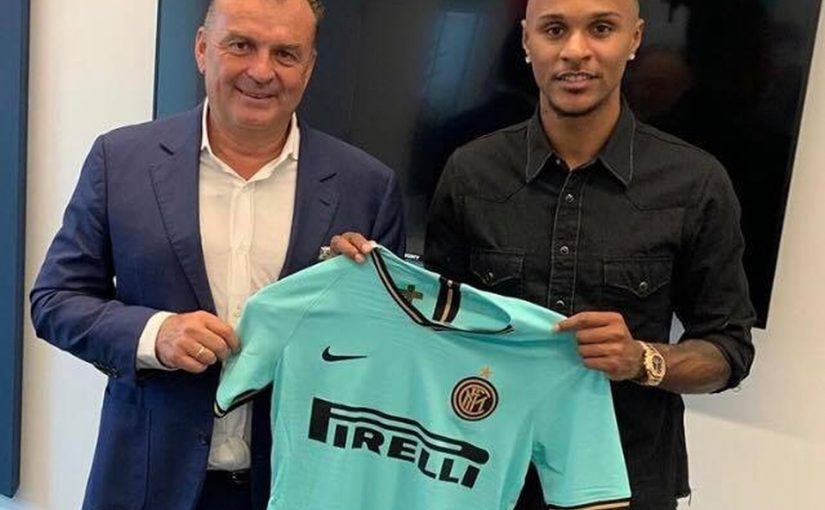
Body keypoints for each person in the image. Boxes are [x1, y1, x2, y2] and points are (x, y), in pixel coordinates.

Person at [333, 0, 755, 508]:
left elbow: (729, 350)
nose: (575, 51)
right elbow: (435, 332)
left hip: (627, 483)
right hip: (482, 477)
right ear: (527, 41)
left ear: (635, 39)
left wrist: (643, 360)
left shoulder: (695, 184)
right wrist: (364, 277)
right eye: (555, 30)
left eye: (601, 28)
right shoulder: (471, 173)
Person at [30, 0, 404, 508]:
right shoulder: (119, 161)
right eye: (241, 45)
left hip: (297, 488)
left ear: (309, 67)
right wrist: (155, 334)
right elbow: (55, 301)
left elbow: (386, 358)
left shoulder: (368, 188)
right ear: (203, 49)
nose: (262, 71)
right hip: (146, 484)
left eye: (286, 53)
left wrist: (362, 294)